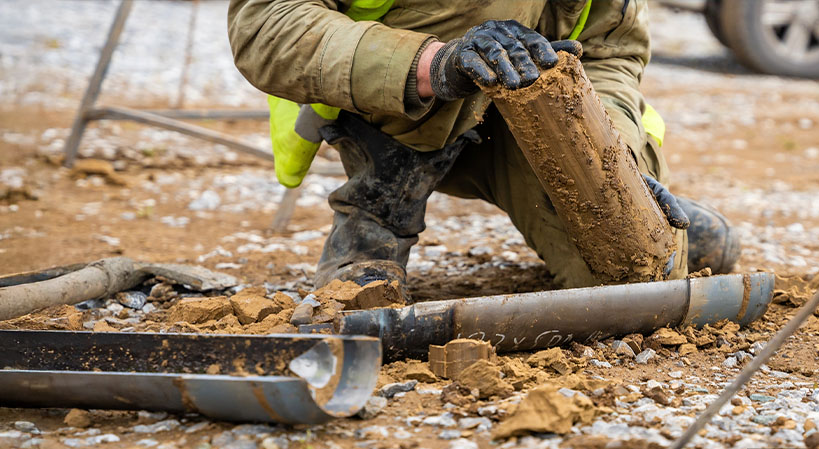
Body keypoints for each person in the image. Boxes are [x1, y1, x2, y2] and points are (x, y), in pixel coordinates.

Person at [227, 0, 739, 291]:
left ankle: (652, 216)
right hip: (392, 107)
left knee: (640, 273)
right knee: (359, 300)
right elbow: (266, 24)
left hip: (520, 125)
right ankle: (373, 217)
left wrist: (611, 159)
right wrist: (435, 65)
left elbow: (611, 50)